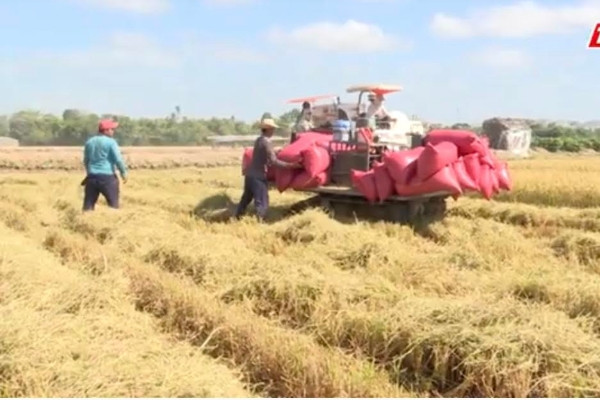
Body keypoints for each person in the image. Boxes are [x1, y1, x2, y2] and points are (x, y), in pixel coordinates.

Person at [234, 117, 301, 221]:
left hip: (250, 175)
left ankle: (236, 218)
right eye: (273, 129)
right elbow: (274, 161)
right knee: (262, 202)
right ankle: (259, 222)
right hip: (258, 177)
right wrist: (291, 165)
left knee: (245, 199)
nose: (274, 131)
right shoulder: (266, 142)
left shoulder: (259, 140)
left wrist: (275, 151)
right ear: (268, 129)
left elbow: (264, 154)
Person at [81, 118, 128, 211]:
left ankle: (86, 223)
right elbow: (118, 160)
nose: (113, 131)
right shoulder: (111, 142)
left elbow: (86, 160)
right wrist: (124, 173)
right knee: (113, 205)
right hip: (107, 178)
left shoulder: (89, 142)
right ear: (106, 130)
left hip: (92, 177)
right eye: (112, 129)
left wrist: (89, 173)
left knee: (88, 207)